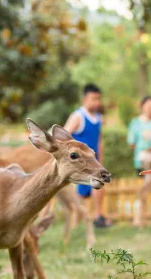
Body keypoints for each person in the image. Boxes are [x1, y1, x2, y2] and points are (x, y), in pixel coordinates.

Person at [64, 83, 111, 228]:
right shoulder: (78, 116)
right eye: (93, 99)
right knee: (83, 193)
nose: (97, 102)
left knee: (96, 187)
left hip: (93, 161)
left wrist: (100, 159)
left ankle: (97, 217)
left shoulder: (98, 117)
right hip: (80, 162)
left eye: (98, 99)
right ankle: (85, 220)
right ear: (84, 99)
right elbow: (64, 134)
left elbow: (99, 140)